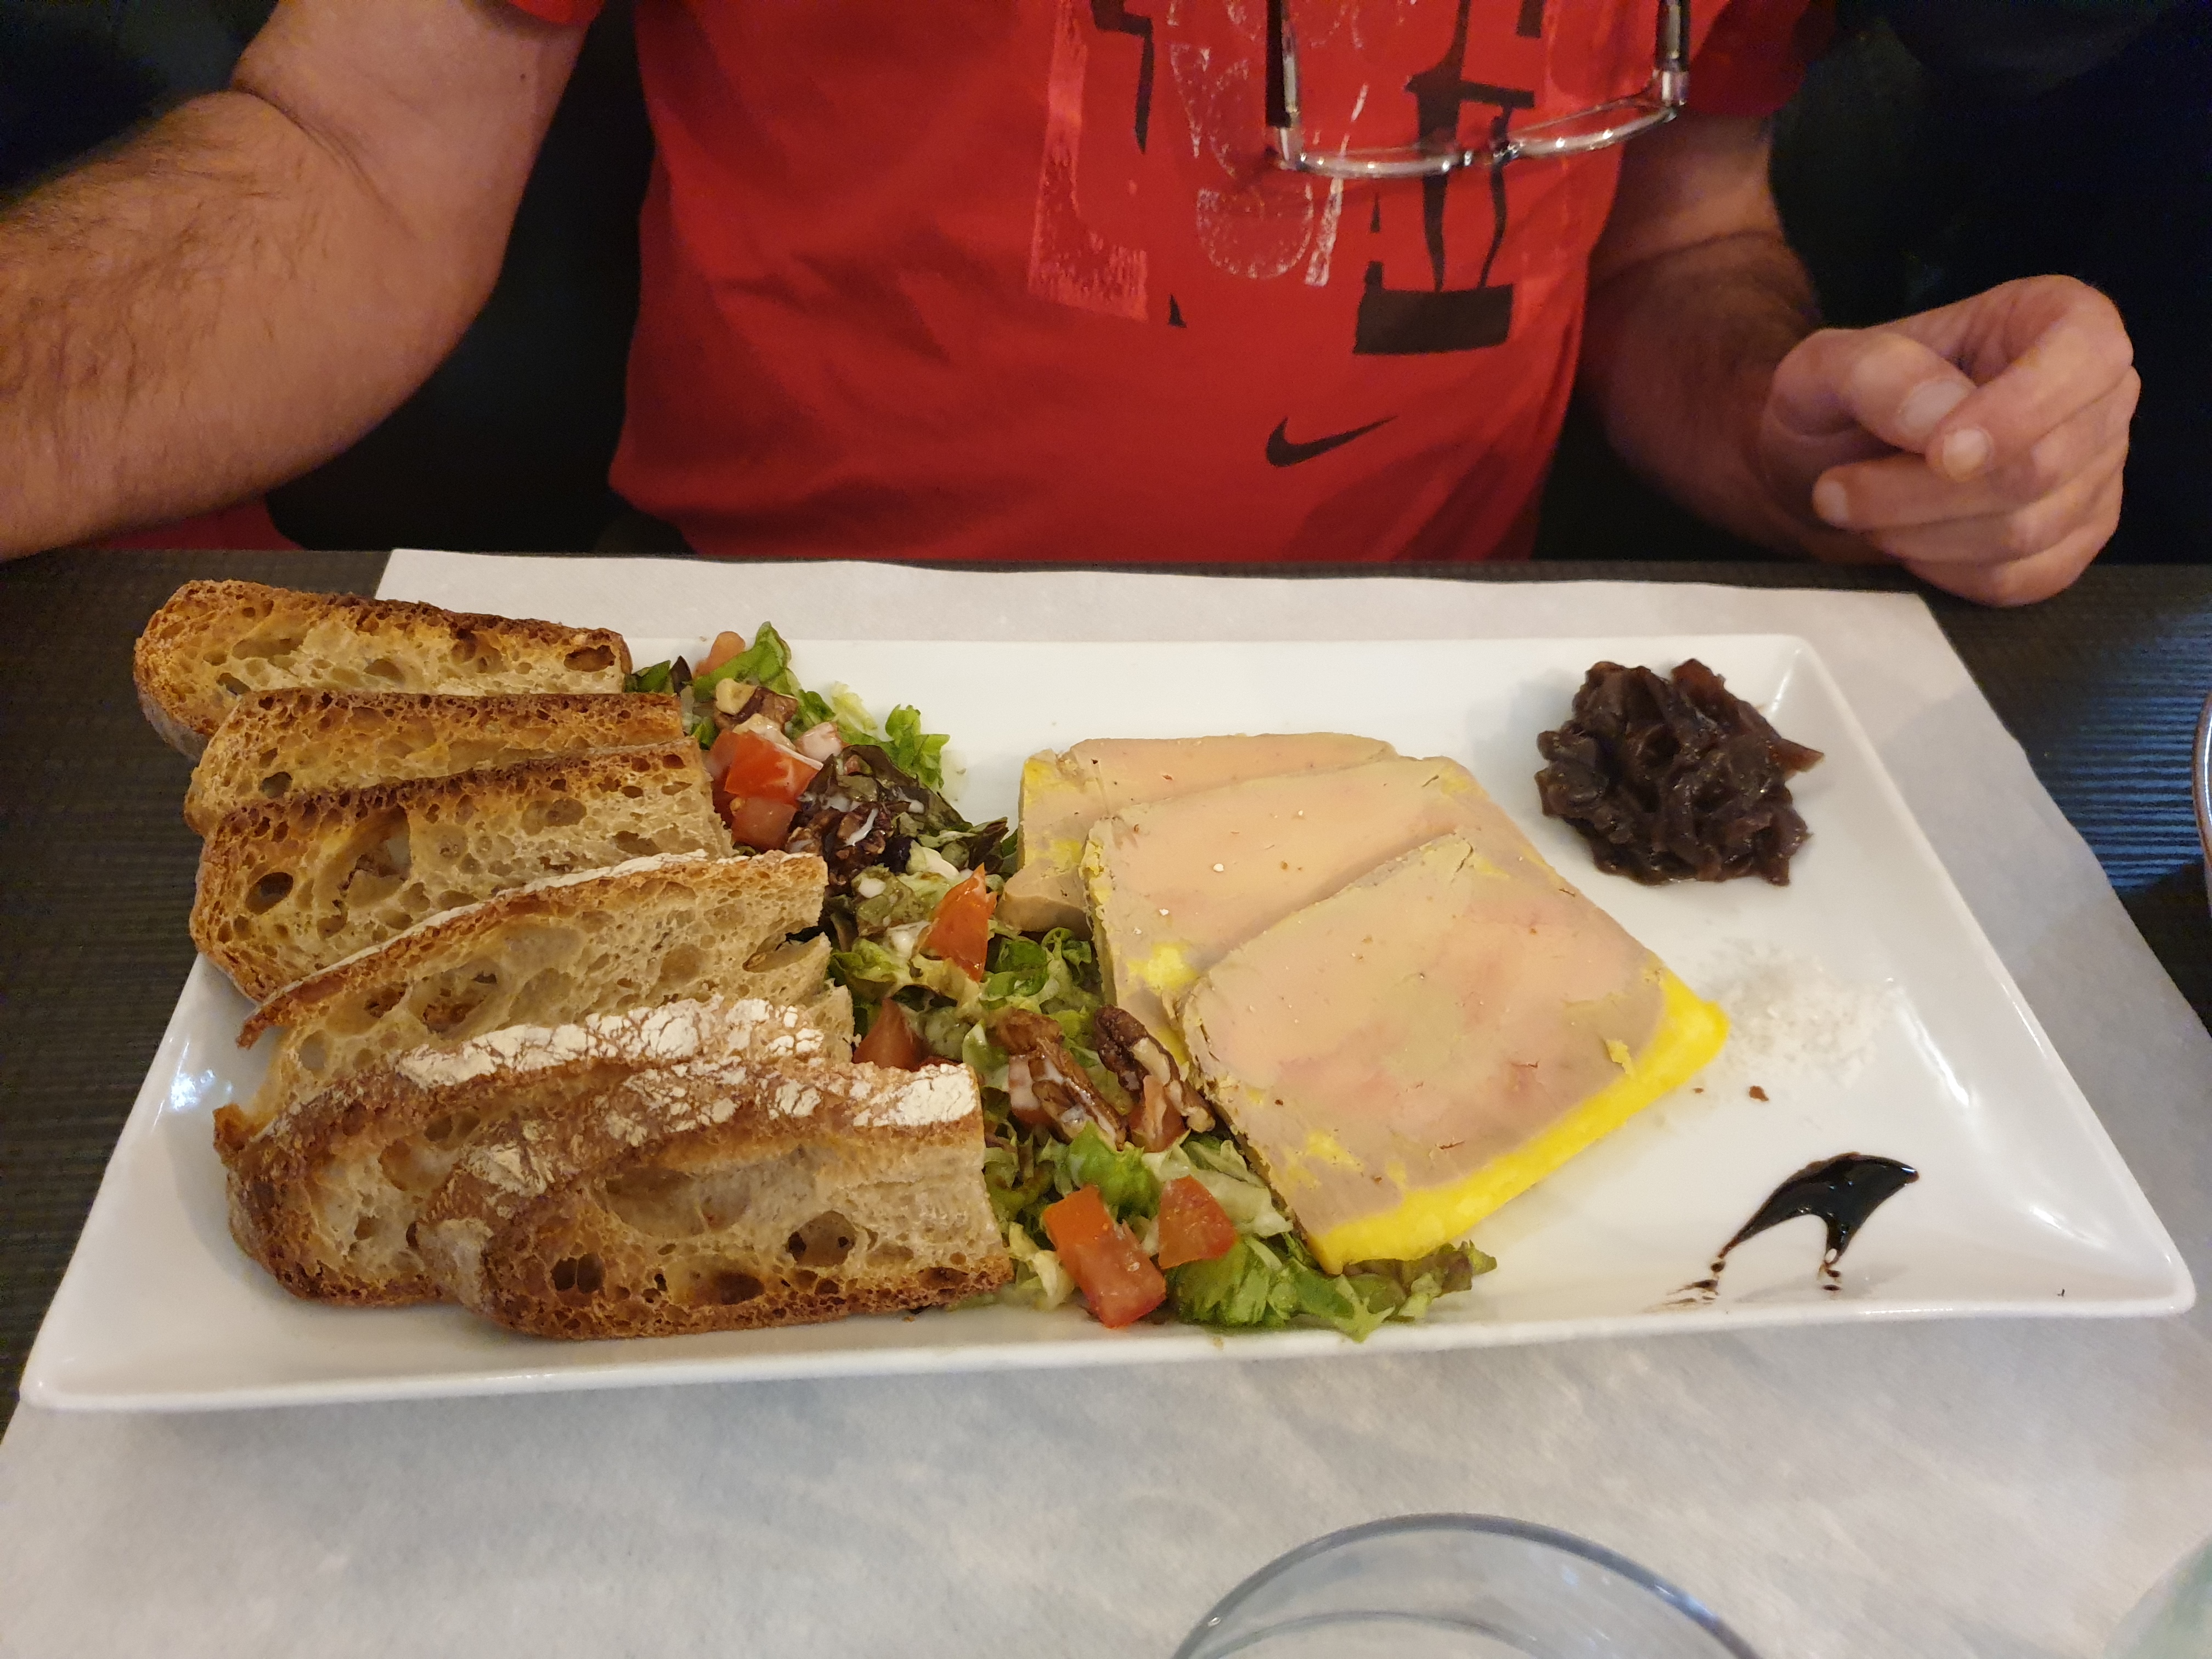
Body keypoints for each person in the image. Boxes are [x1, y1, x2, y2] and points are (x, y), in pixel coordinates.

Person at [0, 0, 2137, 605]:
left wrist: (1815, 427)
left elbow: (1677, 239)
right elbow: (363, 155)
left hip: (1431, 733)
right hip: (786, 691)